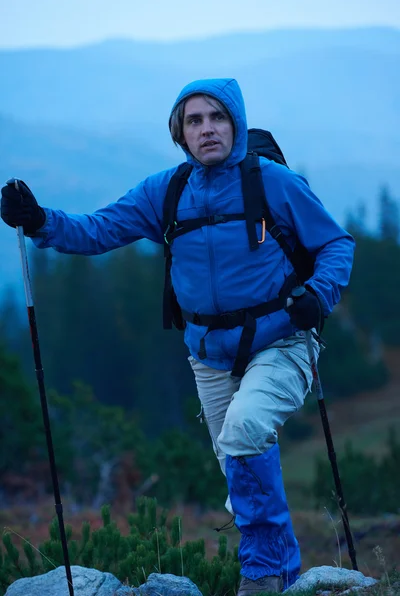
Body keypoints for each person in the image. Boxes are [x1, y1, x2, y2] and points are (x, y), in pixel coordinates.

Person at [1, 78, 355, 594]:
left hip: (282, 341)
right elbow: (99, 229)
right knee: (240, 462)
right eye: (194, 120)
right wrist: (38, 222)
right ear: (180, 133)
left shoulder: (274, 183)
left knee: (245, 432)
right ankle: (284, 574)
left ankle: (259, 575)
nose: (207, 129)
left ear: (235, 124)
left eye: (217, 117)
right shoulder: (166, 191)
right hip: (208, 356)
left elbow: (335, 244)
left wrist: (317, 295)